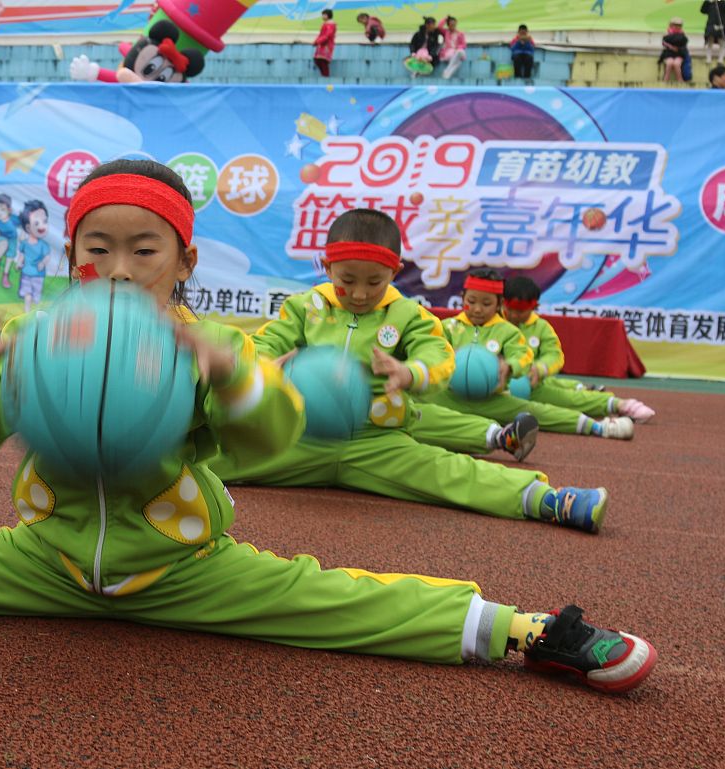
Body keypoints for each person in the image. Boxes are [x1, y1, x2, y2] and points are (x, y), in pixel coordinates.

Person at [0, 162, 657, 697]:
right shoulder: (32, 331)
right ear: (71, 259)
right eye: (94, 248)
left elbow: (266, 438)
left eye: (143, 250)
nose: (115, 270)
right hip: (40, 557)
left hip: (189, 569)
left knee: (344, 598)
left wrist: (220, 373)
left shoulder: (209, 346)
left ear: (184, 264)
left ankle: (524, 631)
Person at [209, 208, 610, 531]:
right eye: (348, 280)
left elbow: (438, 357)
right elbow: (264, 343)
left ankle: (550, 500)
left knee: (448, 472)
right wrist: (261, 366)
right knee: (209, 459)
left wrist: (408, 372)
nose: (362, 293)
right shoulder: (302, 307)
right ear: (327, 268)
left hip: (377, 440)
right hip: (298, 435)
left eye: (375, 282)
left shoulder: (409, 314)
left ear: (395, 273)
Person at [420, 268, 635, 440]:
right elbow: (429, 348)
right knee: (414, 406)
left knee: (539, 412)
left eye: (486, 303)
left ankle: (598, 427)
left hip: (492, 397)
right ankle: (496, 436)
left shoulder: (508, 332)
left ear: (499, 304)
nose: (477, 309)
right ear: (462, 298)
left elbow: (524, 356)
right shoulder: (447, 326)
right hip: (448, 395)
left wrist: (510, 366)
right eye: (471, 301)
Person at [501, 276, 655, 423]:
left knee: (569, 400)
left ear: (534, 307)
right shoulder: (496, 324)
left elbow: (555, 356)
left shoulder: (542, 328)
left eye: (520, 312)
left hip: (532, 384)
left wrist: (540, 369)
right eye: (510, 309)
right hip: (497, 389)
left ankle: (622, 405)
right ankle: (578, 387)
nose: (514, 315)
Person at [15, 199, 51, 313]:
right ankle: (27, 312)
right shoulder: (25, 243)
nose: (42, 226)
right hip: (26, 273)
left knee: (36, 295)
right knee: (27, 293)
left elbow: (47, 256)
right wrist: (19, 263)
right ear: (28, 228)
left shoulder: (43, 245)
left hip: (38, 275)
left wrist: (43, 263)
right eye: (37, 223)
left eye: (44, 221)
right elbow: (22, 254)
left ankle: (36, 311)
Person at [0, 192, 19, 289]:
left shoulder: (14, 219)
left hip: (13, 240)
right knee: (4, 243)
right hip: (1, 238)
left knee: (10, 258)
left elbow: (23, 225)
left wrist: (22, 235)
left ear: (9, 210)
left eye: (1, 209)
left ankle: (5, 276)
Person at [660, 17, 691, 83]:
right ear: (671, 25)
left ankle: (680, 81)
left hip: (679, 54)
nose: (677, 27)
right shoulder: (667, 34)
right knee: (669, 63)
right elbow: (664, 44)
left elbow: (683, 46)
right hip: (669, 54)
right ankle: (665, 80)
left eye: (679, 25)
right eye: (675, 25)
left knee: (677, 64)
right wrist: (671, 47)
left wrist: (677, 49)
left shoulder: (682, 35)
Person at [702, 0, 725, 65]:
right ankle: (708, 59)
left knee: (722, 43)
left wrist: (720, 1)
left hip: (721, 25)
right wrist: (708, 2)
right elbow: (703, 10)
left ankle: (720, 60)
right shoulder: (710, 3)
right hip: (711, 25)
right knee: (710, 42)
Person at [312, 9, 336, 77]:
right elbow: (321, 34)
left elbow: (327, 35)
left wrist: (318, 42)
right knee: (317, 60)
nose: (323, 16)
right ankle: (324, 75)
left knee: (323, 61)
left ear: (329, 15)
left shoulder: (331, 24)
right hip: (321, 44)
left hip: (327, 45)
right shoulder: (325, 24)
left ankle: (325, 76)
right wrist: (316, 41)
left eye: (324, 15)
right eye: (322, 15)